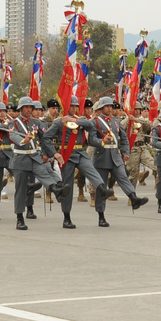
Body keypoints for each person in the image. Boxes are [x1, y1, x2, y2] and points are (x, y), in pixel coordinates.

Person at [43, 96, 106, 229]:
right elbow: (46, 138)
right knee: (68, 186)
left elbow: (91, 125)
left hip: (80, 153)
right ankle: (67, 217)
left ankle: (102, 188)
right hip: (66, 154)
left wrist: (72, 120)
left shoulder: (80, 120)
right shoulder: (58, 122)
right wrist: (55, 154)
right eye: (71, 106)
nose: (74, 108)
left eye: (76, 106)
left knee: (92, 171)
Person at [89, 97, 150, 225]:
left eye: (111, 106)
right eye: (107, 106)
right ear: (101, 108)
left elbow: (124, 139)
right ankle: (101, 215)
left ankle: (133, 198)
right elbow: (91, 139)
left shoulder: (116, 122)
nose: (110, 108)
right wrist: (101, 141)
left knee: (123, 177)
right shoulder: (95, 122)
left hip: (115, 156)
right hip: (101, 156)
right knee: (102, 186)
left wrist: (126, 152)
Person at [8, 96, 64, 230]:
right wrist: (23, 140)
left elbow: (45, 139)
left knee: (44, 173)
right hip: (20, 159)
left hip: (35, 156)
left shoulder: (37, 123)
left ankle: (55, 189)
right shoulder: (13, 123)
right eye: (26, 107)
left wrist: (51, 153)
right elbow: (13, 135)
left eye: (30, 107)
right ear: (21, 109)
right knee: (20, 190)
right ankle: (20, 218)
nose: (28, 110)